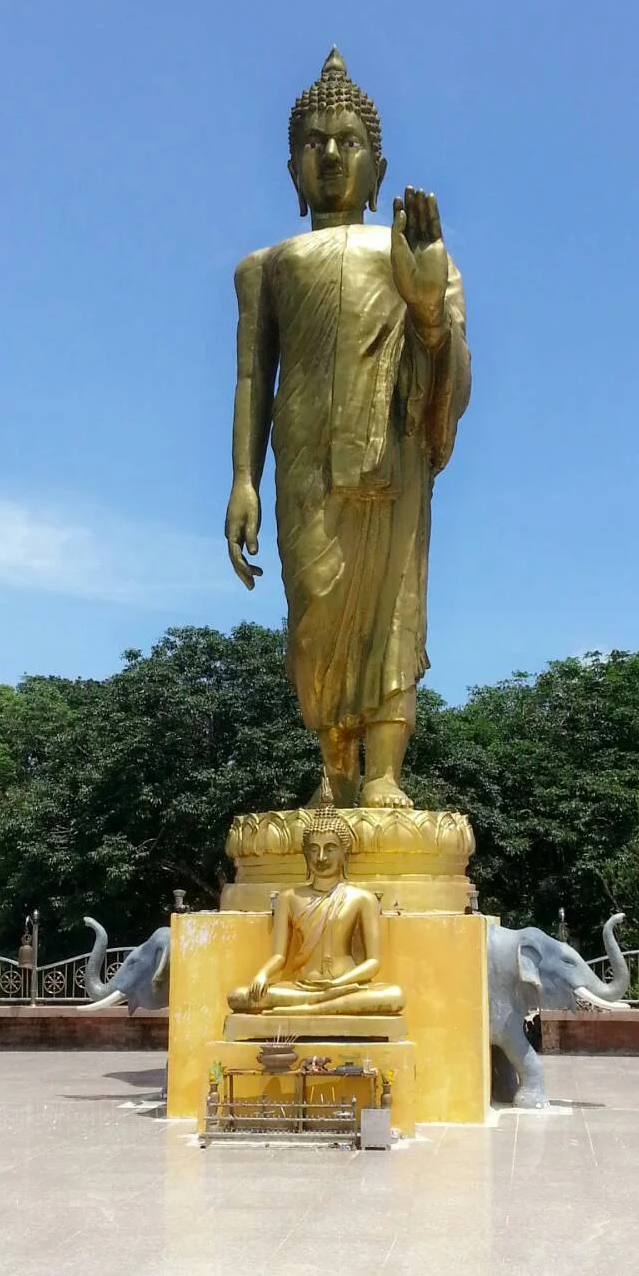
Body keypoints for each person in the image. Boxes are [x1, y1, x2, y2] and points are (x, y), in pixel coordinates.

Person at [224, 49, 470, 809]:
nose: (331, 154)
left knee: (392, 606)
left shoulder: (412, 252)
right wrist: (242, 480)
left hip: (390, 454)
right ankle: (334, 769)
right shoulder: (266, 266)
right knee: (315, 615)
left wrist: (428, 307)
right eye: (314, 143)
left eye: (348, 141)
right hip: (302, 461)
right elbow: (251, 379)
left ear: (378, 166)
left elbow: (448, 364)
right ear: (292, 171)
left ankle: (385, 772)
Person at [228, 810, 403, 1016]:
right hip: (303, 987)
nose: (321, 857)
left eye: (330, 849)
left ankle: (309, 1009)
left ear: (344, 852)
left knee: (394, 996)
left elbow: (373, 962)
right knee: (238, 996)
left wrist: (339, 983)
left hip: (346, 986)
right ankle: (319, 1006)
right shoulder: (288, 898)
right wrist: (262, 974)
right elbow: (279, 956)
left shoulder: (362, 898)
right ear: (305, 854)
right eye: (313, 849)